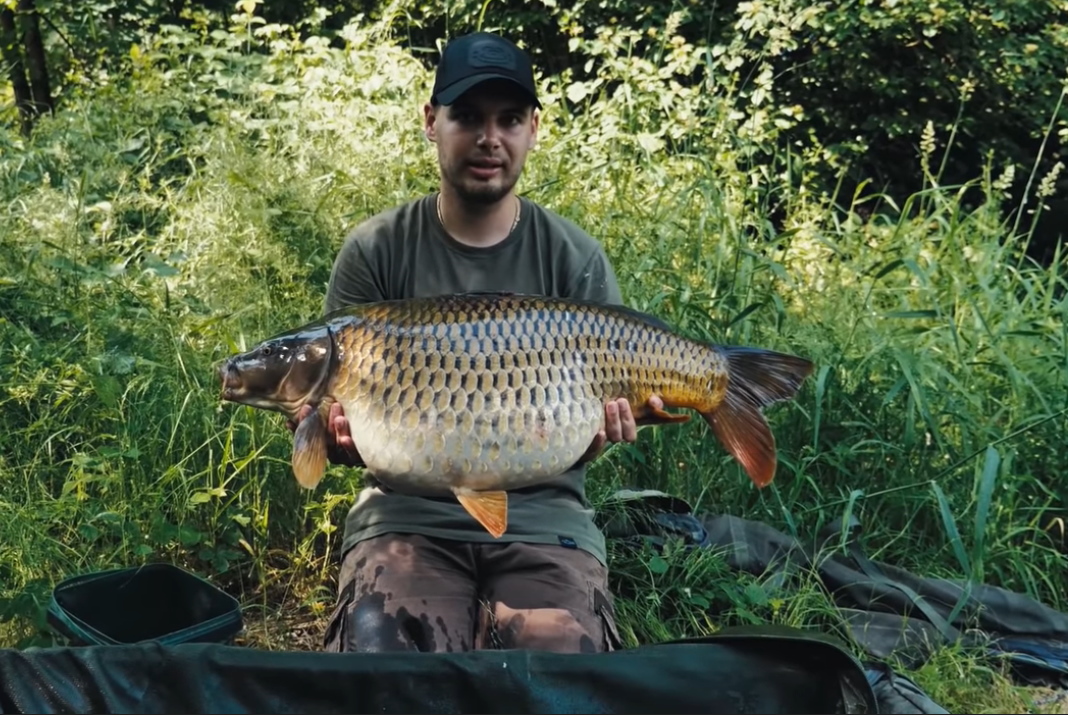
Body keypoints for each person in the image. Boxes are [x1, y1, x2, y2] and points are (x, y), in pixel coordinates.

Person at [293, 30, 663, 655]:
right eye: (467, 116)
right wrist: (337, 441)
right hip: (405, 519)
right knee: (389, 668)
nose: (489, 138)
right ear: (431, 121)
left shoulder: (573, 257)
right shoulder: (377, 250)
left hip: (547, 519)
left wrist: (602, 433)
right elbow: (337, 430)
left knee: (557, 674)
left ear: (533, 129)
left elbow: (586, 436)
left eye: (509, 119)